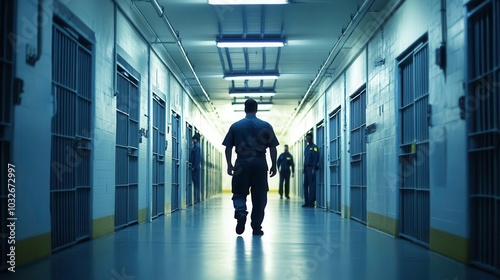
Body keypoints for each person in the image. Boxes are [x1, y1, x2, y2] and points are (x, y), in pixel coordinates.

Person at [222, 98, 279, 236]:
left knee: (239, 192)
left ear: (244, 109)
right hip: (260, 163)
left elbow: (228, 147)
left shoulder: (236, 126)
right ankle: (256, 227)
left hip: (242, 163)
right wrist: (273, 164)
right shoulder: (265, 125)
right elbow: (273, 148)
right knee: (260, 196)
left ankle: (241, 211)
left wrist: (229, 164)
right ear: (256, 109)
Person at [302, 132, 319, 208]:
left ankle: (311, 202)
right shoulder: (307, 148)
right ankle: (306, 202)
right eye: (306, 138)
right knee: (305, 185)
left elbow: (316, 158)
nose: (307, 139)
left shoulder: (314, 147)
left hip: (311, 168)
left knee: (311, 185)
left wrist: (314, 168)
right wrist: (303, 167)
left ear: (311, 138)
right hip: (306, 168)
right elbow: (305, 158)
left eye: (308, 138)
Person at [190, 133, 201, 203]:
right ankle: (197, 198)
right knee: (196, 182)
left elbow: (196, 157)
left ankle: (196, 199)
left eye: (193, 139)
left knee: (196, 182)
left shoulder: (196, 147)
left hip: (195, 168)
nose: (192, 140)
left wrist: (194, 166)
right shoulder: (196, 146)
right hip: (196, 167)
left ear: (195, 139)